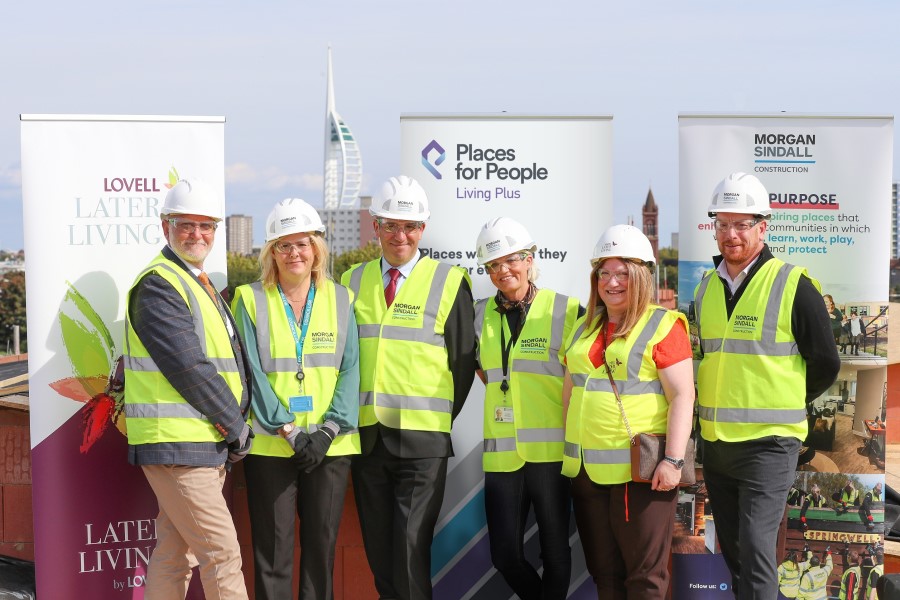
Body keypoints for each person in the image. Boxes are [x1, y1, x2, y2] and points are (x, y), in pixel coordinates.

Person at [693, 172, 841, 599]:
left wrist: (785, 401)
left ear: (763, 226)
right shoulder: (705, 290)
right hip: (718, 445)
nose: (731, 234)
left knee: (758, 553)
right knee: (736, 554)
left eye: (742, 224)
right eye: (723, 224)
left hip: (769, 446)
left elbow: (826, 363)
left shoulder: (794, 285)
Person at [341, 175, 476, 600]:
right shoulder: (351, 280)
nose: (402, 235)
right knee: (380, 555)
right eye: (391, 225)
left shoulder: (450, 281)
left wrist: (435, 420)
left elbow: (462, 363)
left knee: (409, 551)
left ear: (423, 229)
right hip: (367, 438)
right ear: (375, 225)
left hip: (422, 442)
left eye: (411, 226)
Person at [123, 179, 252, 600]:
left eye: (206, 226)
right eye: (186, 225)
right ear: (165, 226)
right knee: (223, 556)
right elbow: (190, 369)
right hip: (180, 445)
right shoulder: (160, 285)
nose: (198, 234)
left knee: (175, 555)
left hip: (199, 443)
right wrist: (237, 426)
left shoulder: (198, 282)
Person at [231, 199, 360, 600]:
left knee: (321, 551)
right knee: (273, 553)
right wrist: (287, 429)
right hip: (272, 446)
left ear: (316, 248)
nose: (294, 254)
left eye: (302, 243)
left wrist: (326, 431)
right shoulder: (249, 299)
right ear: (270, 252)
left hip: (330, 445)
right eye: (283, 246)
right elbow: (248, 371)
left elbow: (350, 369)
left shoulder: (341, 299)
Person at [562, 225, 694, 599]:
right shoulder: (584, 327)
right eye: (604, 273)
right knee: (605, 574)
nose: (612, 282)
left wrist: (673, 460)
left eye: (622, 273)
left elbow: (684, 395)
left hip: (638, 475)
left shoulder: (662, 325)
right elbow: (570, 394)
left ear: (641, 276)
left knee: (645, 578)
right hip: (586, 472)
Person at [472, 217, 581, 600]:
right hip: (502, 457)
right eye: (493, 265)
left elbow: (580, 379)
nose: (503, 271)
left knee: (555, 550)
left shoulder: (567, 311)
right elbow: (486, 373)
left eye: (512, 260)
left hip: (551, 454)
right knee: (504, 555)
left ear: (530, 258)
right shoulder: (477, 314)